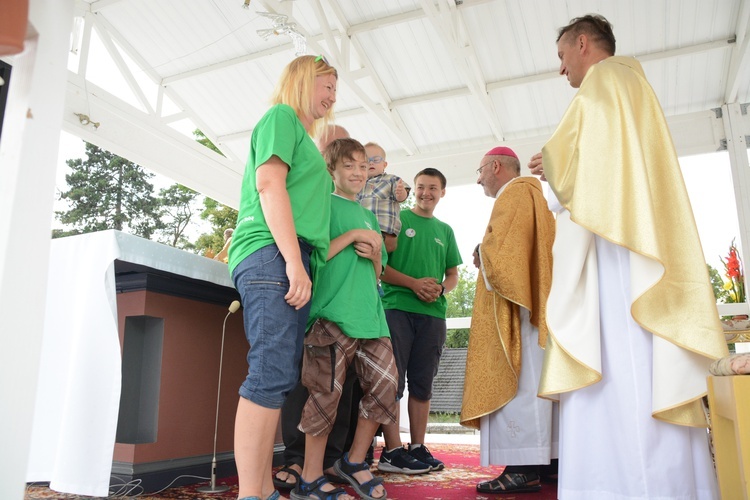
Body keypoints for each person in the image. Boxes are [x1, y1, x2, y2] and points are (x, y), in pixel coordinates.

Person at [528, 14, 728, 499]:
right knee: (646, 366)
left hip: (616, 253)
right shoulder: (635, 84)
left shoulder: (604, 79)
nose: (561, 70)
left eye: (561, 56)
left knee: (616, 370)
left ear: (582, 44)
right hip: (636, 247)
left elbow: (580, 170)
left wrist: (547, 165)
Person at [227, 54, 337, 500]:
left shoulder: (305, 138)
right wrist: (293, 261)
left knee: (277, 375)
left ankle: (264, 489)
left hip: (289, 254)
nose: (332, 96)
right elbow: (269, 184)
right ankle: (252, 495)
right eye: (325, 85)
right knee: (270, 372)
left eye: (335, 89)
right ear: (301, 81)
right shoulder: (280, 117)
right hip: (272, 252)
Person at [293, 138, 397, 500]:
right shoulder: (322, 205)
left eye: (362, 165)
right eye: (348, 165)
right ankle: (309, 479)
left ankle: (353, 462)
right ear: (332, 170)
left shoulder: (369, 214)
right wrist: (353, 235)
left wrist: (375, 257)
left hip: (372, 318)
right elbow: (313, 258)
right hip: (329, 315)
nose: (357, 172)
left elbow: (378, 273)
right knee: (324, 397)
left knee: (386, 388)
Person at [275, 124, 367, 491]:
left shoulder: (360, 207)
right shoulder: (308, 189)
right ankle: (296, 459)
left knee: (343, 386)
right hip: (311, 296)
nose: (350, 165)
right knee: (306, 381)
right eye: (334, 148)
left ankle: (331, 460)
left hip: (353, 308)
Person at [460, 146, 557, 493]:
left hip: (518, 313)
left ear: (496, 166)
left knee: (522, 383)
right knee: (541, 385)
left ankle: (523, 468)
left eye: (481, 171)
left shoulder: (513, 194)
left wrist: (481, 253)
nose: (479, 180)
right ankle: (550, 463)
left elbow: (503, 253)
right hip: (539, 309)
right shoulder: (535, 195)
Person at [376, 168, 462, 474]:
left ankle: (417, 447)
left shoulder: (446, 230)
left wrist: (440, 288)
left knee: (423, 385)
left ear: (442, 192)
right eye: (422, 187)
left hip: (433, 316)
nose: (427, 192)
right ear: (415, 190)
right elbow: (381, 268)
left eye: (433, 188)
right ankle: (392, 450)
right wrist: (413, 284)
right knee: (392, 382)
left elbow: (452, 274)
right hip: (397, 309)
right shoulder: (398, 221)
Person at [357, 142, 410, 254]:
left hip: (383, 230)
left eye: (376, 159)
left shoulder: (390, 179)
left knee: (376, 255)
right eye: (367, 160)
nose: (371, 162)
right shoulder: (358, 183)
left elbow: (402, 195)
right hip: (361, 229)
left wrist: (401, 194)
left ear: (384, 164)